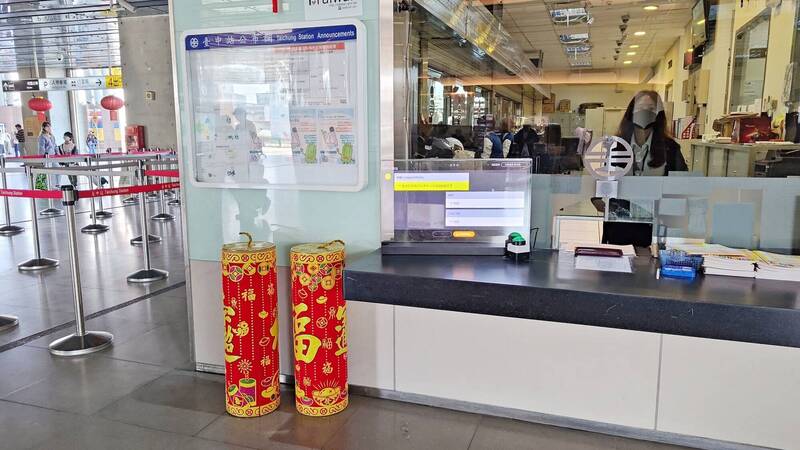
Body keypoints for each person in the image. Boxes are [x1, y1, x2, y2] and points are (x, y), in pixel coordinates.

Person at [616, 91, 688, 176]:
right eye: (640, 108)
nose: (644, 113)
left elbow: (682, 179)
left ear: (658, 115)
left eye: (651, 109)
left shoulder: (670, 147)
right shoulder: (617, 145)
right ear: (631, 112)